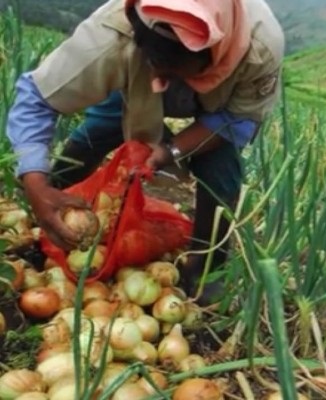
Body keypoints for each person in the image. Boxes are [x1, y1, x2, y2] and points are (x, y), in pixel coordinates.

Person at [5, 0, 285, 305]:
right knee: (96, 132)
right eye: (156, 63)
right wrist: (36, 184)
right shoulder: (112, 35)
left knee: (220, 173)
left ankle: (207, 263)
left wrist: (170, 151)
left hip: (220, 103)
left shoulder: (259, 47)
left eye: (175, 71)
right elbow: (37, 96)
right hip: (133, 76)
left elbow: (236, 120)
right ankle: (48, 213)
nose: (163, 79)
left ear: (212, 55)